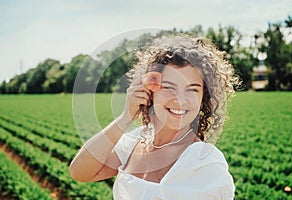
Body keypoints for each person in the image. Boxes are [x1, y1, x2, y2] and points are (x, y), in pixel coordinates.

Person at [70, 33, 239, 200]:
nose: (180, 100)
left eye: (192, 89)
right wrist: (125, 117)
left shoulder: (207, 164)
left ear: (204, 97)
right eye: (168, 87)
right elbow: (80, 172)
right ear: (150, 91)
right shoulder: (134, 142)